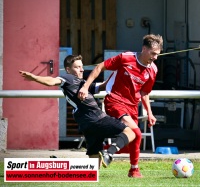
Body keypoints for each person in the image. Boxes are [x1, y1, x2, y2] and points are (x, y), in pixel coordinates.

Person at [19, 55, 136, 168]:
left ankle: (60, 166)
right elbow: (51, 81)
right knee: (130, 132)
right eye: (77, 67)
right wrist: (35, 77)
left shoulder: (83, 84)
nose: (82, 69)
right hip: (97, 119)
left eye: (82, 66)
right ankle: (109, 153)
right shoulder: (69, 78)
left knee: (94, 166)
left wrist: (117, 73)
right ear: (68, 69)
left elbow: (102, 86)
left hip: (87, 124)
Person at [78, 34, 163, 177]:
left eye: (158, 54)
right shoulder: (126, 57)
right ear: (144, 49)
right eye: (153, 53)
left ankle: (131, 168)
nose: (155, 57)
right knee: (136, 132)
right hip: (115, 100)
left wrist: (150, 113)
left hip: (132, 106)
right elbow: (100, 67)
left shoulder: (153, 70)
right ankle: (110, 154)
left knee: (135, 138)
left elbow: (144, 92)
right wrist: (85, 87)